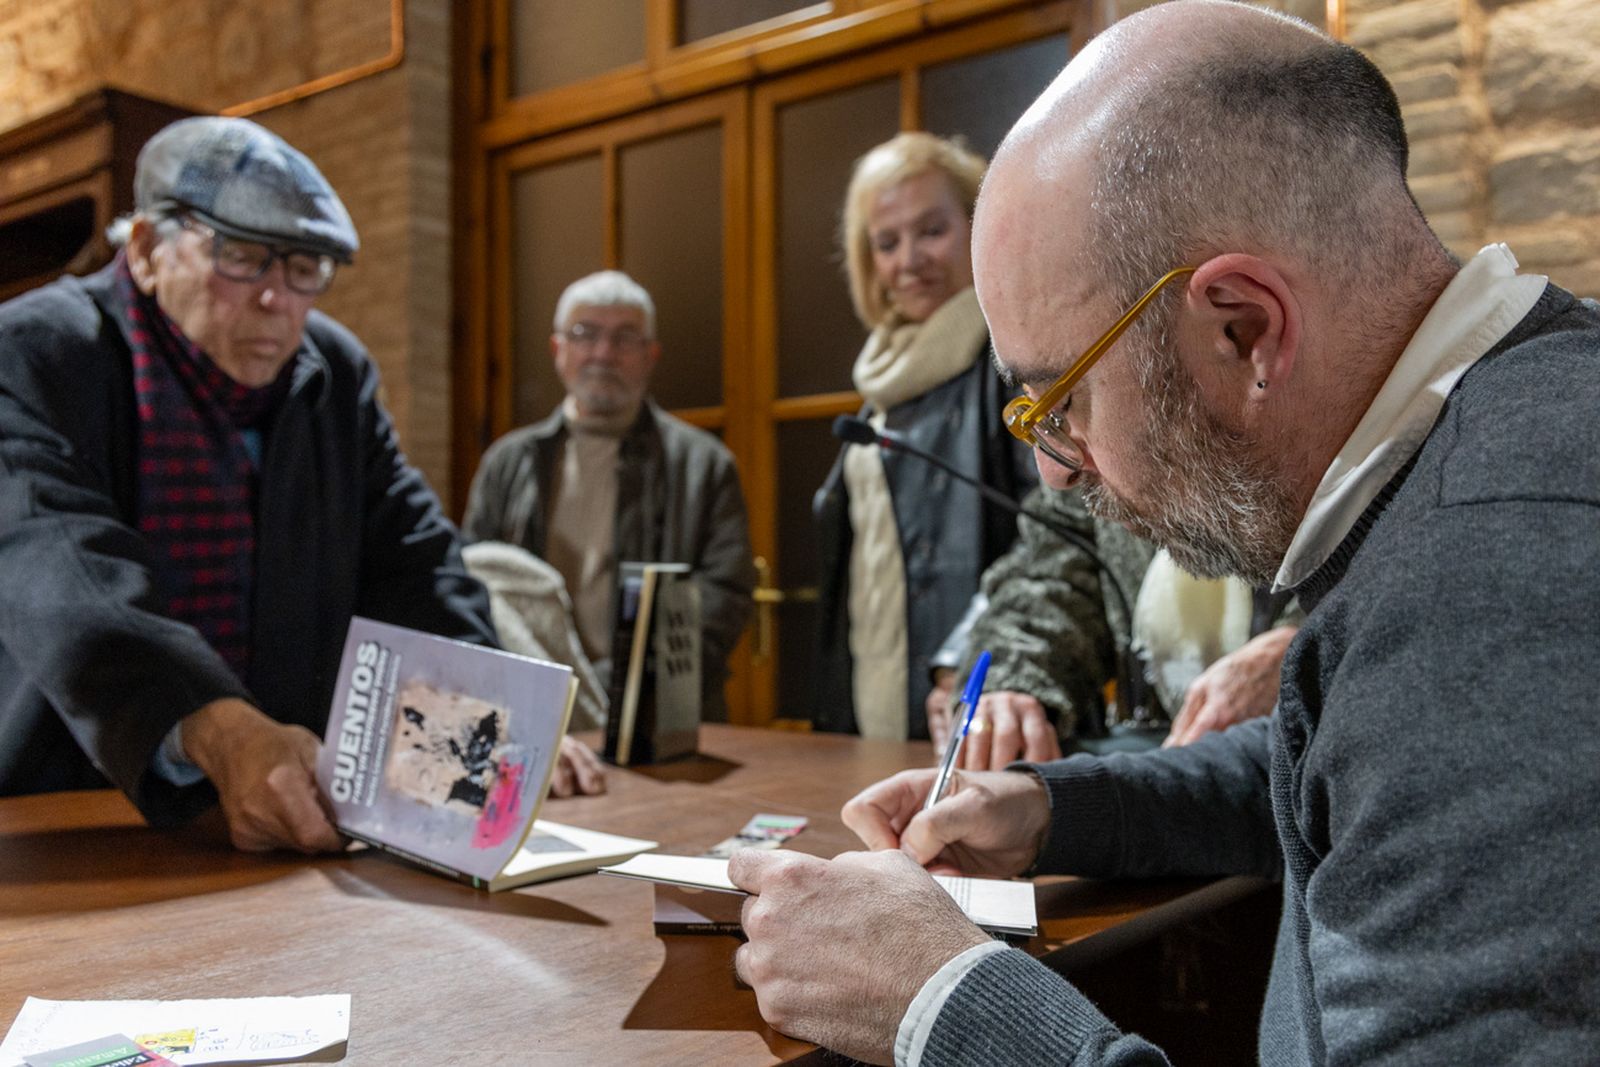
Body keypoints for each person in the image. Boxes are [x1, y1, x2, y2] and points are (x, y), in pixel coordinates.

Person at [727, 3, 1600, 1063]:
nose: (1051, 466)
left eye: (1061, 400)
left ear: (1243, 328)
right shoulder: (1518, 427)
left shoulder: (1492, 589)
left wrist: (940, 1003)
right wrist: (1052, 807)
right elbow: (1337, 764)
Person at [0, 116, 603, 854]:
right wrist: (221, 728)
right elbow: (62, 574)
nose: (277, 300)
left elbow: (415, 563)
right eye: (243, 257)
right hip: (68, 811)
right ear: (149, 250)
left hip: (287, 807)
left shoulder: (333, 372)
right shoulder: (31, 353)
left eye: (304, 268)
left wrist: (491, 716)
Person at [814, 132, 1035, 742]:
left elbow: (1048, 535)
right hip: (872, 696)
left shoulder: (1012, 363)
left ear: (975, 225)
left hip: (971, 697)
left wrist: (964, 657)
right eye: (887, 242)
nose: (909, 260)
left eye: (931, 230)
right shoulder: (882, 381)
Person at [462, 270, 755, 722]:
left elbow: (724, 597)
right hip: (528, 711)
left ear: (651, 355)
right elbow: (477, 583)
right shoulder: (508, 462)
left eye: (625, 338)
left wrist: (612, 680)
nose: (603, 353)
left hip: (662, 719)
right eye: (585, 334)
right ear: (558, 350)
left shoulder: (704, 465)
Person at [926, 484, 1301, 768]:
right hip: (1162, 776)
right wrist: (1012, 687)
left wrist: (1306, 649)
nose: (1054, 471)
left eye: (1070, 408)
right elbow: (1059, 563)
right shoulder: (1077, 444)